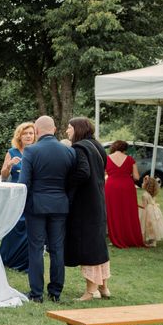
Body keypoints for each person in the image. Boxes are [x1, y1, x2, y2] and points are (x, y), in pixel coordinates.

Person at [19, 116, 75, 303]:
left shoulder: (31, 151)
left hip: (37, 205)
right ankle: (55, 292)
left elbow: (23, 183)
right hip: (60, 203)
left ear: (36, 130)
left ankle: (36, 294)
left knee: (35, 248)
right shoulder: (68, 151)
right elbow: (70, 182)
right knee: (57, 249)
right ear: (54, 129)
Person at [65, 117, 111, 301]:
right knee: (98, 244)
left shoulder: (80, 147)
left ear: (78, 129)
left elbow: (83, 172)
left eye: (69, 128)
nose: (67, 131)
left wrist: (67, 184)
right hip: (98, 199)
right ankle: (104, 287)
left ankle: (90, 292)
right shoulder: (97, 145)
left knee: (88, 245)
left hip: (85, 203)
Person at [0, 122, 36, 272]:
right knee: (13, 226)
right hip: (15, 195)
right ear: (19, 136)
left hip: (31, 194)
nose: (28, 136)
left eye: (31, 133)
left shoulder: (36, 151)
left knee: (28, 227)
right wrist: (9, 166)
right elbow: (3, 175)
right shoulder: (12, 152)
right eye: (25, 133)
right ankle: (7, 259)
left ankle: (24, 262)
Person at [105, 140, 145, 248]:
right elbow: (136, 177)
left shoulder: (107, 158)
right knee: (128, 211)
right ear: (125, 148)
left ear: (113, 147)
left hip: (111, 186)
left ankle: (116, 237)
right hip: (127, 186)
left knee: (114, 212)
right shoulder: (130, 159)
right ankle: (129, 237)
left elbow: (103, 173)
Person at [139, 175, 163, 247]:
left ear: (146, 185)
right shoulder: (152, 194)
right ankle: (153, 241)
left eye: (143, 182)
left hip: (147, 212)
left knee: (147, 225)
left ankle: (147, 239)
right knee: (153, 225)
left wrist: (137, 205)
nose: (142, 183)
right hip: (154, 211)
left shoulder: (144, 195)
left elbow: (144, 207)